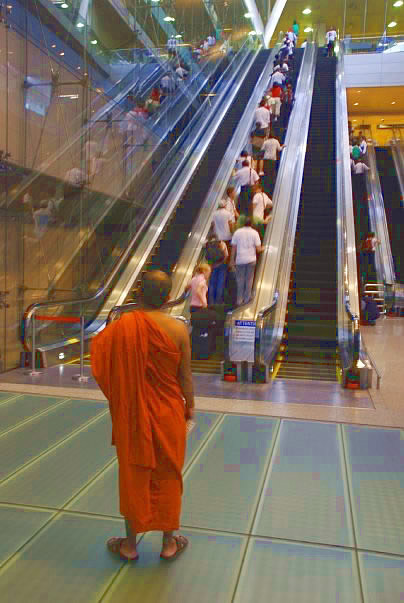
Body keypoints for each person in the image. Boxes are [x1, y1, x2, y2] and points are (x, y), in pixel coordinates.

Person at [91, 270, 194, 562]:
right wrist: (191, 407)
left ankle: (130, 545)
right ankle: (169, 543)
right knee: (169, 474)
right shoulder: (177, 330)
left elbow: (101, 363)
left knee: (133, 474)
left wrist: (122, 396)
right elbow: (185, 377)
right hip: (169, 412)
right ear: (168, 298)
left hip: (134, 414)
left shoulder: (124, 326)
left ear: (138, 294)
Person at [230, 217, 264, 306]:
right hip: (251, 259)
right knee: (249, 279)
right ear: (251, 224)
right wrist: (264, 248)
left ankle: (239, 300)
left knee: (240, 280)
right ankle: (247, 299)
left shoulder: (237, 233)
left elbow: (233, 248)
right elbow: (259, 249)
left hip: (240, 259)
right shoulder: (255, 233)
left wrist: (231, 260)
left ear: (243, 224)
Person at [205, 236, 229, 305]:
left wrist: (212, 265)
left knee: (212, 283)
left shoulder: (208, 244)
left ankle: (211, 302)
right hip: (222, 265)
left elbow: (207, 257)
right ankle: (218, 302)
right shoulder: (222, 243)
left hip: (213, 265)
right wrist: (221, 262)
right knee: (220, 283)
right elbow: (226, 255)